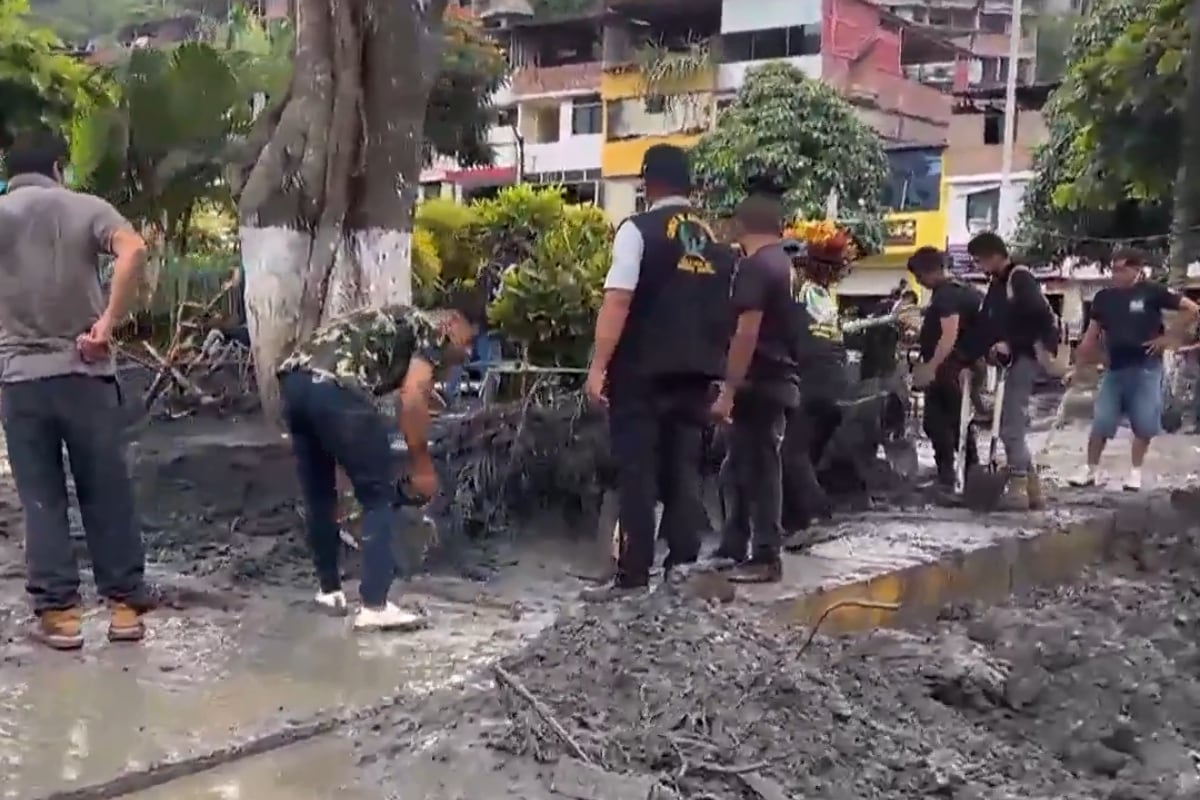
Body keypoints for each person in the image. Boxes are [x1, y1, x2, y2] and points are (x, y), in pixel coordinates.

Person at [0, 132, 152, 649]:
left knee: (41, 498)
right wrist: (106, 324)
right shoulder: (86, 207)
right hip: (86, 374)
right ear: (58, 168)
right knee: (106, 491)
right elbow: (134, 248)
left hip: (21, 382)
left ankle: (61, 616)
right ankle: (125, 611)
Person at [583, 144, 736, 599]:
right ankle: (681, 567)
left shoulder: (638, 230)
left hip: (641, 373)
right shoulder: (717, 242)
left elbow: (618, 299)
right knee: (683, 469)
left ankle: (633, 574)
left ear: (648, 182)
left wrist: (598, 366)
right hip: (696, 375)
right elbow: (729, 314)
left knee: (638, 471)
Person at [277, 296, 480, 629]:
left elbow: (412, 396)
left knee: (320, 493)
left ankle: (329, 592)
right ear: (453, 322)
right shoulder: (434, 330)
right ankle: (375, 606)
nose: (468, 353)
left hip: (294, 383)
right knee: (378, 494)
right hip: (336, 386)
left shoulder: (397, 322)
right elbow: (413, 395)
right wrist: (422, 465)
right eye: (469, 340)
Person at [707, 181, 800, 583]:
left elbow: (747, 333)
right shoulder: (783, 264)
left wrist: (728, 389)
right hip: (776, 378)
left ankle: (764, 555)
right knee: (738, 467)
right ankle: (734, 545)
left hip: (758, 381)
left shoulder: (756, 267)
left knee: (759, 469)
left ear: (741, 224)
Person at [1068, 248, 1198, 490]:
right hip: (1114, 368)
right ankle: (1091, 469)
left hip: (1146, 367)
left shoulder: (1152, 291)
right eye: (1113, 269)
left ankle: (1135, 471)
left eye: (1121, 269)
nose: (1115, 274)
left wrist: (1168, 338)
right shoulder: (1104, 298)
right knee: (1102, 421)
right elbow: (1091, 334)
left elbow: (1192, 309)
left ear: (1136, 269)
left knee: (1144, 422)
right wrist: (1080, 364)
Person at [970, 231, 1060, 510]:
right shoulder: (997, 284)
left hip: (1026, 357)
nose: (978, 266)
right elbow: (987, 323)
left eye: (979, 260)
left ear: (993, 256)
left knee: (1010, 426)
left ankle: (1019, 487)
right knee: (1010, 422)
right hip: (1013, 359)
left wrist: (1011, 343)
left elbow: (1039, 318)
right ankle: (1033, 491)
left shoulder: (1018, 278)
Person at [778, 226, 853, 541]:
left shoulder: (798, 292)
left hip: (810, 383)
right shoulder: (824, 298)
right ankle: (793, 525)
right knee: (804, 456)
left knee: (791, 455)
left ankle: (818, 517)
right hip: (836, 385)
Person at [907, 246, 985, 490]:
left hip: (950, 368)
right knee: (959, 421)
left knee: (940, 422)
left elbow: (949, 335)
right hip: (964, 365)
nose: (919, 282)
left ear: (929, 271)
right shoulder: (965, 290)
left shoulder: (946, 296)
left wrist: (931, 367)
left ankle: (950, 478)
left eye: (919, 276)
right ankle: (967, 476)